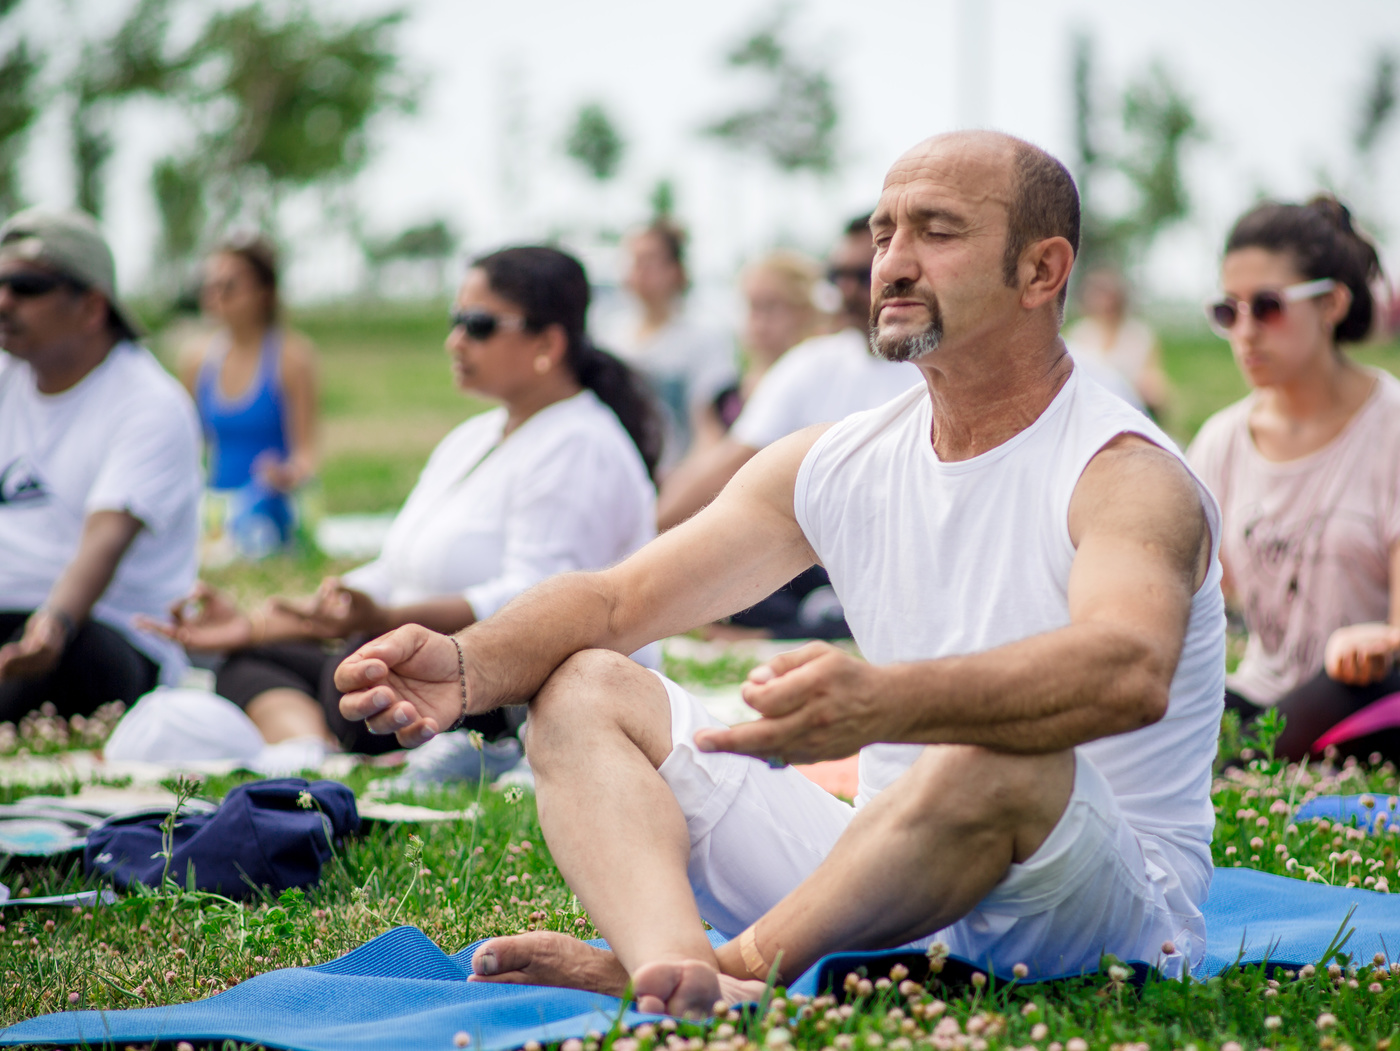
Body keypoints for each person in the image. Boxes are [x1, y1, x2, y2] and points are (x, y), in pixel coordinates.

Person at [334, 131, 1225, 1014]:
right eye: (883, 234)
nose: (893, 263)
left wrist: (888, 702)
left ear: (1041, 271)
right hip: (878, 880)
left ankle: (746, 964)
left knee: (1000, 756)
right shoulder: (836, 463)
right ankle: (675, 973)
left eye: (938, 231)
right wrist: (467, 664)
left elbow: (1126, 671)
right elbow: (617, 600)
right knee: (584, 683)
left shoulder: (1125, 474)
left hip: (1091, 901)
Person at [146, 246, 663, 765]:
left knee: (356, 673)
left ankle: (312, 749)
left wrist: (390, 619)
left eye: (478, 325)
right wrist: (270, 622)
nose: (454, 340)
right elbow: (394, 569)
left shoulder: (581, 444)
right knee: (252, 658)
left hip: (504, 687)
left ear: (548, 342)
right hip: (421, 657)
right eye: (455, 320)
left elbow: (539, 603)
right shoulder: (477, 435)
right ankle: (314, 752)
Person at [1187, 196, 1400, 762]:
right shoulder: (1221, 441)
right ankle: (1248, 756)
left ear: (1331, 303)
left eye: (1268, 306)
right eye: (1228, 311)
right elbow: (1186, 597)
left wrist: (1378, 640)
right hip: (1263, 697)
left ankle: (1245, 763)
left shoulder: (1392, 428)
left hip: (1368, 697)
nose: (1246, 331)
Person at [0, 208, 202, 723]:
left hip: (99, 630)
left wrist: (53, 624)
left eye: (25, 286)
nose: (4, 301)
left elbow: (104, 543)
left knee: (67, 664)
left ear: (91, 307)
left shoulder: (148, 402)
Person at [656, 214, 919, 531]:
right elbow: (730, 467)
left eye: (863, 275)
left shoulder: (935, 370)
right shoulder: (810, 364)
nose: (847, 289)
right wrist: (642, 531)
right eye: (838, 275)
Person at [179, 234, 318, 560]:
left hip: (271, 506)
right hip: (216, 509)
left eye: (228, 288)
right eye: (210, 288)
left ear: (264, 293)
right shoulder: (196, 359)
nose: (216, 298)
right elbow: (185, 446)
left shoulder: (292, 358)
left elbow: (306, 453)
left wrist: (287, 474)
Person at [606, 220, 736, 464]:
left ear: (676, 269)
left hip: (679, 477)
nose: (639, 271)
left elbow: (711, 428)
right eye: (634, 261)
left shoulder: (703, 337)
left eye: (649, 261)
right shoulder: (612, 334)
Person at [690, 250, 822, 451]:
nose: (759, 321)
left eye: (771, 306)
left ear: (804, 311)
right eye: (752, 306)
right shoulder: (721, 400)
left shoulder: (819, 387)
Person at [1063, 268, 1170, 417]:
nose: (1105, 303)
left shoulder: (1139, 335)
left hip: (1130, 406)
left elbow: (1154, 378)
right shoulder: (1079, 334)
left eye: (1109, 296)